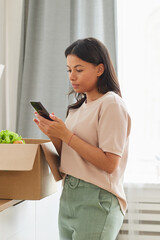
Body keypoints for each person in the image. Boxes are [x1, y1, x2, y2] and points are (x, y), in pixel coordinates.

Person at [33, 37, 131, 240]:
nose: (72, 77)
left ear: (99, 69)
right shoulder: (77, 108)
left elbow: (109, 163)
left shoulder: (111, 104)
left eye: (79, 69)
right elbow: (72, 156)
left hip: (97, 198)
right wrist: (54, 134)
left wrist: (66, 135)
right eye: (69, 70)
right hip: (69, 196)